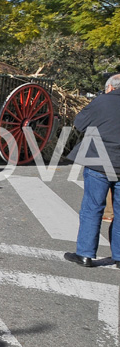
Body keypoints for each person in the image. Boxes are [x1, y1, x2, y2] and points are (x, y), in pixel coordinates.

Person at [63, 73, 120, 268]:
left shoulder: (102, 101)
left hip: (99, 163)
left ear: (111, 88)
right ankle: (119, 257)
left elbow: (79, 123)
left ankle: (85, 254)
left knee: (92, 208)